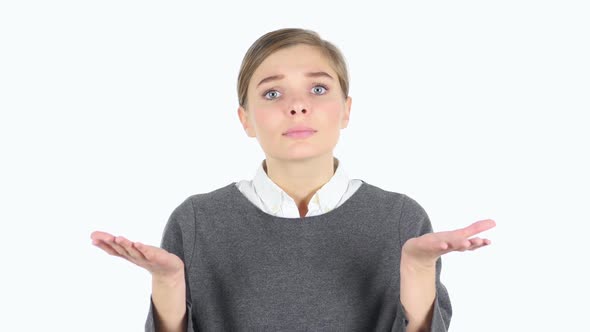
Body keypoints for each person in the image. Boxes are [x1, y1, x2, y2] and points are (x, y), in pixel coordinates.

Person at [91, 28, 496, 332]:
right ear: (245, 119)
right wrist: (168, 283)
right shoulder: (197, 219)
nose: (298, 106)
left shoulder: (400, 218)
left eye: (318, 88)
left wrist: (419, 269)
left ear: (346, 111)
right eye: (272, 94)